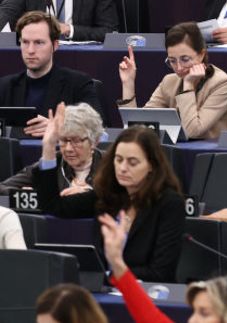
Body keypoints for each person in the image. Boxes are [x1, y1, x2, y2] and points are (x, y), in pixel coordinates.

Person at [34, 112, 185, 282]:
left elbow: (161, 272)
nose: (123, 168)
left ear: (152, 165)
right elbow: (53, 206)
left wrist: (108, 277)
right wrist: (48, 147)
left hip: (147, 294)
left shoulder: (169, 204)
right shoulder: (108, 194)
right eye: (118, 160)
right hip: (105, 289)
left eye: (132, 162)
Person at [116, 22, 227, 141]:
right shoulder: (169, 81)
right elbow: (140, 127)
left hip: (211, 152)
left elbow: (193, 131)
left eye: (185, 59)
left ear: (201, 55)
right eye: (172, 61)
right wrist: (128, 83)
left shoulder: (221, 83)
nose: (178, 67)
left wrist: (188, 85)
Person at [0, 13, 102, 132]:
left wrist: (59, 127)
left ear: (55, 45)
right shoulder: (4, 86)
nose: (30, 50)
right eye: (25, 42)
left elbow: (98, 125)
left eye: (39, 43)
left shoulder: (78, 84)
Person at [0, 101, 102, 194]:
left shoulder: (110, 165)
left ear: (94, 141)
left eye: (76, 141)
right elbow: (2, 187)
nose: (68, 149)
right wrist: (23, 193)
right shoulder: (52, 163)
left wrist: (88, 195)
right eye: (63, 140)